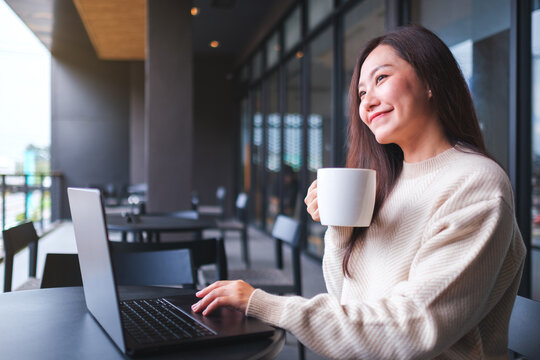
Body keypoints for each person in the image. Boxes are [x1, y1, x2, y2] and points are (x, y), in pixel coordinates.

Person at [192, 25, 526, 359]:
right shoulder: (387, 181)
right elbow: (346, 296)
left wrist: (262, 304)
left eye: (381, 79)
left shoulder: (476, 184)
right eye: (361, 93)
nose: (367, 102)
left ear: (430, 81)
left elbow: (410, 331)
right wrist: (340, 225)